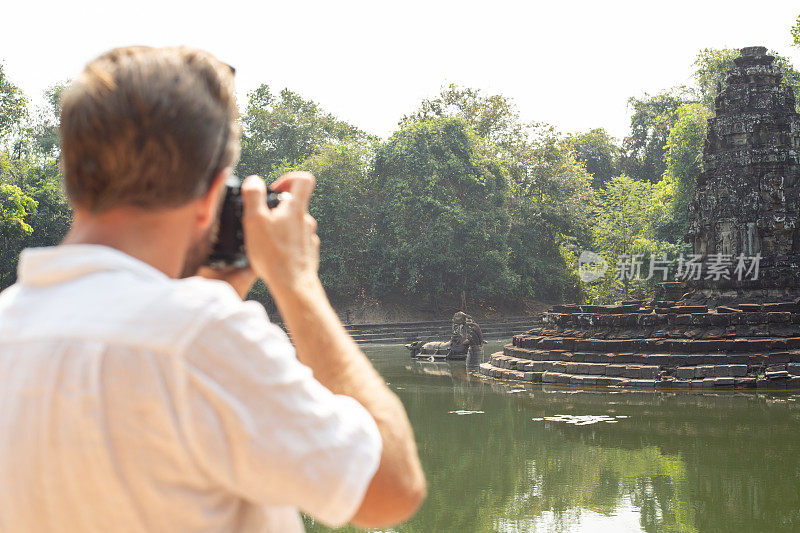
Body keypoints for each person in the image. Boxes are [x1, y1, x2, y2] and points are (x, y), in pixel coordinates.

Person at [0, 46, 425, 532]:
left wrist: (216, 293)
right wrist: (297, 282)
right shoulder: (199, 337)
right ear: (210, 196)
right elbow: (390, 490)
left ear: (74, 178)